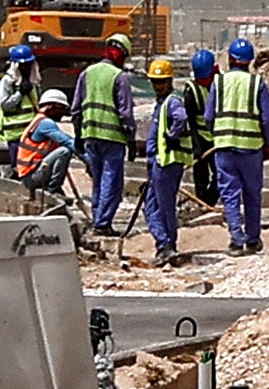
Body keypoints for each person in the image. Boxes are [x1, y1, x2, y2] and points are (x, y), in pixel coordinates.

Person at [208, 36, 269, 254]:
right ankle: (253, 239)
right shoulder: (257, 84)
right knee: (252, 194)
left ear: (229, 59)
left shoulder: (218, 82)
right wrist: (267, 142)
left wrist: (217, 134)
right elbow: (267, 118)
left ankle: (237, 239)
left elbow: (209, 116)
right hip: (251, 148)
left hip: (224, 147)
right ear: (249, 61)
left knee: (229, 194)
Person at [142, 54, 201, 263]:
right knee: (151, 207)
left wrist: (172, 134)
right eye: (155, 82)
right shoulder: (162, 103)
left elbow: (181, 117)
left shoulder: (172, 101)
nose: (158, 86)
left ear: (169, 81)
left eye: (161, 82)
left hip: (166, 162)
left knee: (163, 207)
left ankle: (167, 245)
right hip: (159, 162)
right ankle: (164, 244)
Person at [76, 35, 135, 231]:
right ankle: (102, 223)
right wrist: (131, 139)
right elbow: (125, 112)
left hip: (90, 135)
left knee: (98, 181)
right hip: (113, 138)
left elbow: (76, 109)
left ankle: (97, 218)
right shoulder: (120, 77)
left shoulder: (87, 73)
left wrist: (78, 135)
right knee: (112, 183)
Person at [13, 90, 79, 207]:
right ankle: (54, 190)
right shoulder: (45, 123)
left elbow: (66, 139)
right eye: (61, 110)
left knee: (63, 150)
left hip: (33, 173)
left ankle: (54, 188)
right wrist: (90, 159)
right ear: (51, 107)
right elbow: (67, 142)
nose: (62, 114)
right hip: (31, 177)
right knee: (64, 151)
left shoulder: (40, 120)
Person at [0, 41, 46, 163]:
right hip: (15, 133)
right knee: (17, 164)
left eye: (28, 64)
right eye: (23, 65)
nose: (26, 68)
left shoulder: (33, 80)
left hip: (30, 132)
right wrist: (19, 93)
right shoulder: (8, 81)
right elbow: (5, 105)